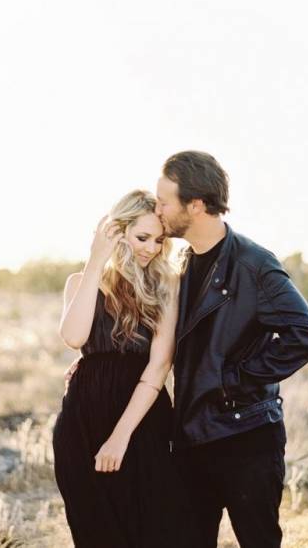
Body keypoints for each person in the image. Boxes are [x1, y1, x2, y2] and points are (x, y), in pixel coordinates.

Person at [155, 151, 308, 548]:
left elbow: (305, 333)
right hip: (193, 439)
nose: (157, 209)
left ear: (195, 205)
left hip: (246, 437)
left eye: (164, 201)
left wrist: (233, 380)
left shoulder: (253, 264)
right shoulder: (182, 264)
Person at [52, 189, 197, 548]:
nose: (151, 248)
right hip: (82, 421)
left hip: (141, 421)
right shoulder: (80, 281)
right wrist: (95, 260)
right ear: (118, 231)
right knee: (95, 530)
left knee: (150, 527)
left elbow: (160, 364)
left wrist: (120, 437)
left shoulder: (165, 287)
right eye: (142, 237)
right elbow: (74, 337)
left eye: (159, 240)